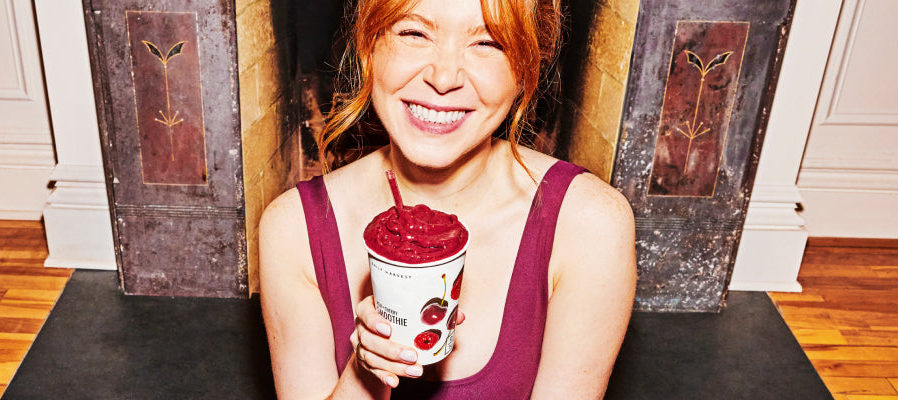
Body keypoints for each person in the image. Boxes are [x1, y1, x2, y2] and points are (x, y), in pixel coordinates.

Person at [258, 0, 636, 397]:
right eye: (414, 33)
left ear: (526, 67)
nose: (443, 77)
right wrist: (368, 369)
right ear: (368, 45)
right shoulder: (293, 229)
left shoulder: (590, 225)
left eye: (488, 43)